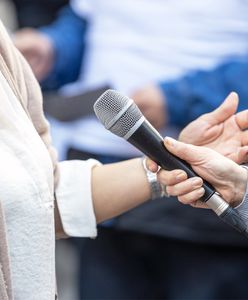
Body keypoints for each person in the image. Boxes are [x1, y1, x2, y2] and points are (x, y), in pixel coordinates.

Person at [13, 1, 248, 298]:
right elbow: (88, 19)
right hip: (99, 174)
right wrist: (54, 48)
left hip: (207, 182)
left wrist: (178, 97)